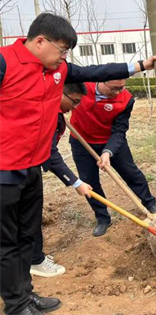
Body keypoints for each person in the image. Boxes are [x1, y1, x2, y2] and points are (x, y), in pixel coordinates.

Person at [0, 12, 156, 315]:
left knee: (26, 236)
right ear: (40, 41)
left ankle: (26, 294)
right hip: (4, 171)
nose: (64, 57)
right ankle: (15, 305)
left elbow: (94, 71)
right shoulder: (5, 63)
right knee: (6, 242)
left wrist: (138, 67)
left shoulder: (57, 70)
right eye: (61, 49)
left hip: (32, 168)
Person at [69, 79, 156, 237]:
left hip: (110, 140)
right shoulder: (82, 86)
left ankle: (149, 203)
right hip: (81, 141)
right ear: (101, 81)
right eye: (114, 88)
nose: (118, 92)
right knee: (89, 181)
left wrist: (108, 151)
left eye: (121, 88)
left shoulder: (126, 100)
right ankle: (102, 218)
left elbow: (119, 130)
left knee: (130, 172)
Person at [31, 83, 92, 279]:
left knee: (30, 214)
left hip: (28, 165)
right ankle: (34, 261)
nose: (75, 107)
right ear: (59, 92)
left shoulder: (53, 111)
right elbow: (50, 153)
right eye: (74, 101)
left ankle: (32, 255)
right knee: (28, 215)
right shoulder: (47, 112)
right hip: (18, 168)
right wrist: (76, 182)